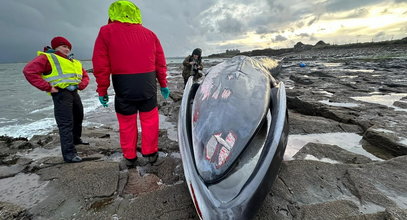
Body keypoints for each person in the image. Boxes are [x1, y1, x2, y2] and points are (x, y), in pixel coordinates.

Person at [92, 0, 169, 167]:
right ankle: (150, 153)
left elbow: (101, 64)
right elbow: (160, 62)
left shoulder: (106, 32)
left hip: (123, 84)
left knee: (127, 122)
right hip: (147, 84)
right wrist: (163, 84)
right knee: (149, 120)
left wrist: (102, 90)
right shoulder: (150, 34)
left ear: (113, 13)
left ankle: (130, 156)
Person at [23, 36, 90, 163]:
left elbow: (85, 75)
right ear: (55, 47)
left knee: (78, 116)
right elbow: (29, 71)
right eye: (63, 46)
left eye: (68, 47)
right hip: (60, 94)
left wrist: (82, 85)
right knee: (66, 123)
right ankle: (69, 154)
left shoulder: (73, 61)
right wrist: (47, 87)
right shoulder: (48, 57)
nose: (67, 49)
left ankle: (76, 140)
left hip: (74, 92)